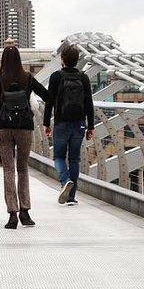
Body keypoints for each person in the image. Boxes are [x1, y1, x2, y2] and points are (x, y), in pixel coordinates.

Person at [0, 46, 50, 228]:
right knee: (22, 169)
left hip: (3, 127)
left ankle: (12, 214)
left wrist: (2, 103)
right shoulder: (27, 78)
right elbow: (46, 95)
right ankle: (25, 212)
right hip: (24, 126)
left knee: (8, 169)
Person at [43, 44, 95, 206]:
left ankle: (65, 180)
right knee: (74, 159)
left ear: (62, 60)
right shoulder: (83, 77)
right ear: (77, 60)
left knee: (59, 156)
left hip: (61, 122)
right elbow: (89, 103)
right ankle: (71, 197)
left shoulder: (55, 77)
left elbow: (49, 102)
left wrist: (46, 124)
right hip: (79, 123)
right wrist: (91, 126)